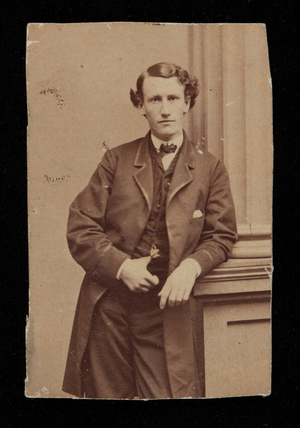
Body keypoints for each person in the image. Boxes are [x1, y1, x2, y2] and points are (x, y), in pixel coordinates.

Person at [62, 62, 237, 399]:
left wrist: (191, 266)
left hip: (164, 309)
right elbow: (81, 225)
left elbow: (222, 235)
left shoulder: (210, 167)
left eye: (173, 98)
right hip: (109, 306)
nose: (165, 109)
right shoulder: (116, 160)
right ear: (140, 106)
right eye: (155, 99)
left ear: (187, 102)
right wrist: (122, 266)